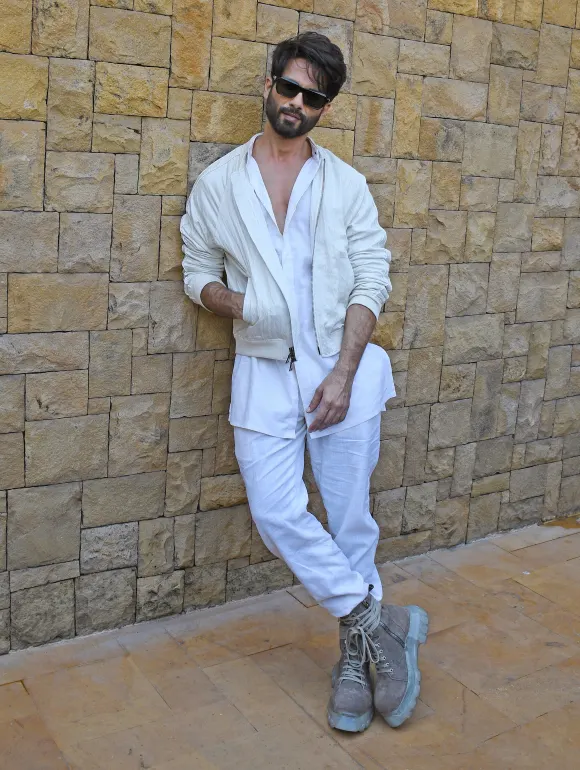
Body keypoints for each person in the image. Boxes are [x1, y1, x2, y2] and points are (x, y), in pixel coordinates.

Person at [180, 31, 428, 733]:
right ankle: (381, 623)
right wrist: (235, 303)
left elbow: (372, 278)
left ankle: (355, 660)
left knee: (350, 520)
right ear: (268, 87)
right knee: (276, 511)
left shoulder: (345, 185)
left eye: (311, 96)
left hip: (340, 368)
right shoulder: (220, 182)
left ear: (325, 107)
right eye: (287, 87)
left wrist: (345, 372)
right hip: (261, 370)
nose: (295, 102)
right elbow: (196, 267)